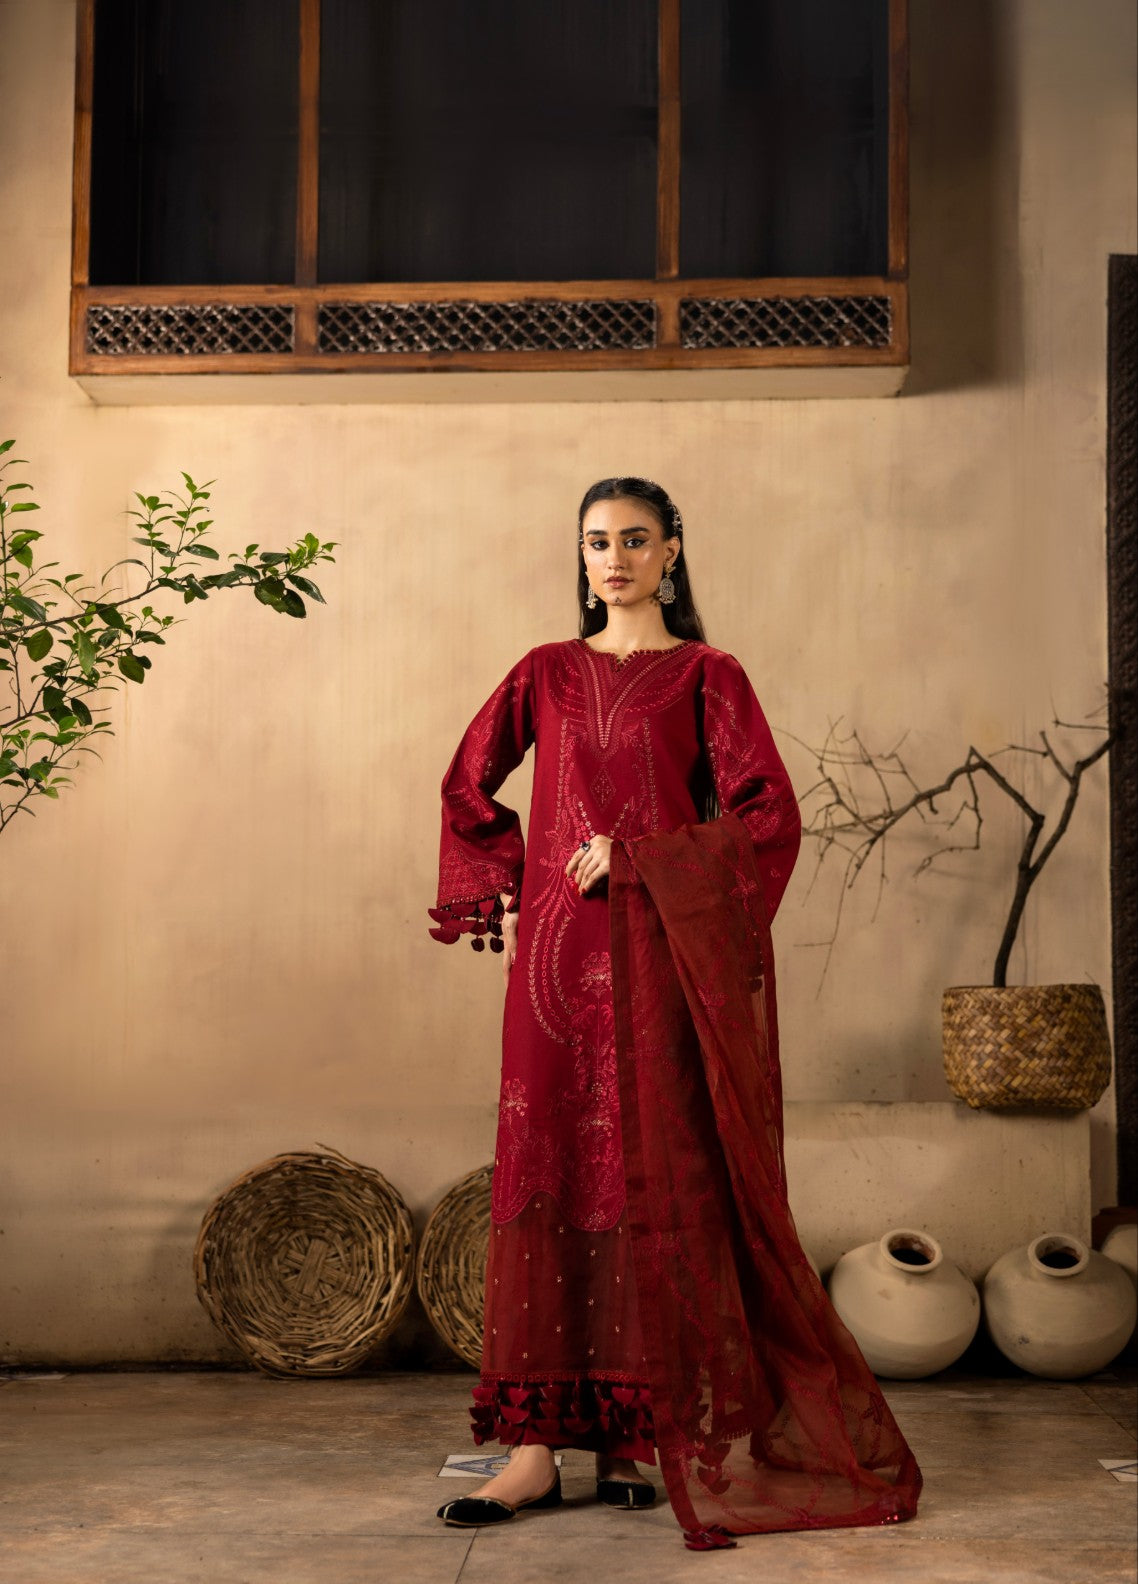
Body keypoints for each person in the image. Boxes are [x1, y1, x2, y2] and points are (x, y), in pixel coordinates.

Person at [429, 477, 922, 1549]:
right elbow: (467, 783)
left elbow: (768, 818)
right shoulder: (543, 671)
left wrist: (642, 857)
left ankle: (630, 1434)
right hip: (552, 971)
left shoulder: (709, 676)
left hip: (656, 964)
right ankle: (531, 1452)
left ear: (671, 552)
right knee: (551, 1172)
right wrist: (508, 875)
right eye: (595, 542)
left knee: (645, 1179)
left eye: (634, 539)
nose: (613, 558)